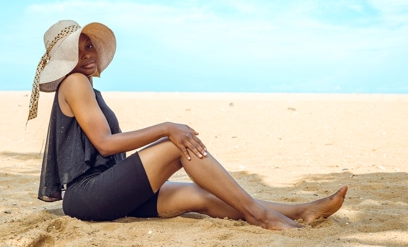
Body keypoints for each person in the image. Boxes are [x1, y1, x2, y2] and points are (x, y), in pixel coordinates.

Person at [28, 20, 347, 230]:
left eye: (89, 46)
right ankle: (260, 215)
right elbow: (106, 144)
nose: (88, 54)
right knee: (173, 144)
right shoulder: (75, 83)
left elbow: (106, 145)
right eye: (78, 50)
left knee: (203, 196)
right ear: (63, 60)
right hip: (90, 196)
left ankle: (302, 210)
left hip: (105, 194)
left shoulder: (82, 87)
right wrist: (166, 127)